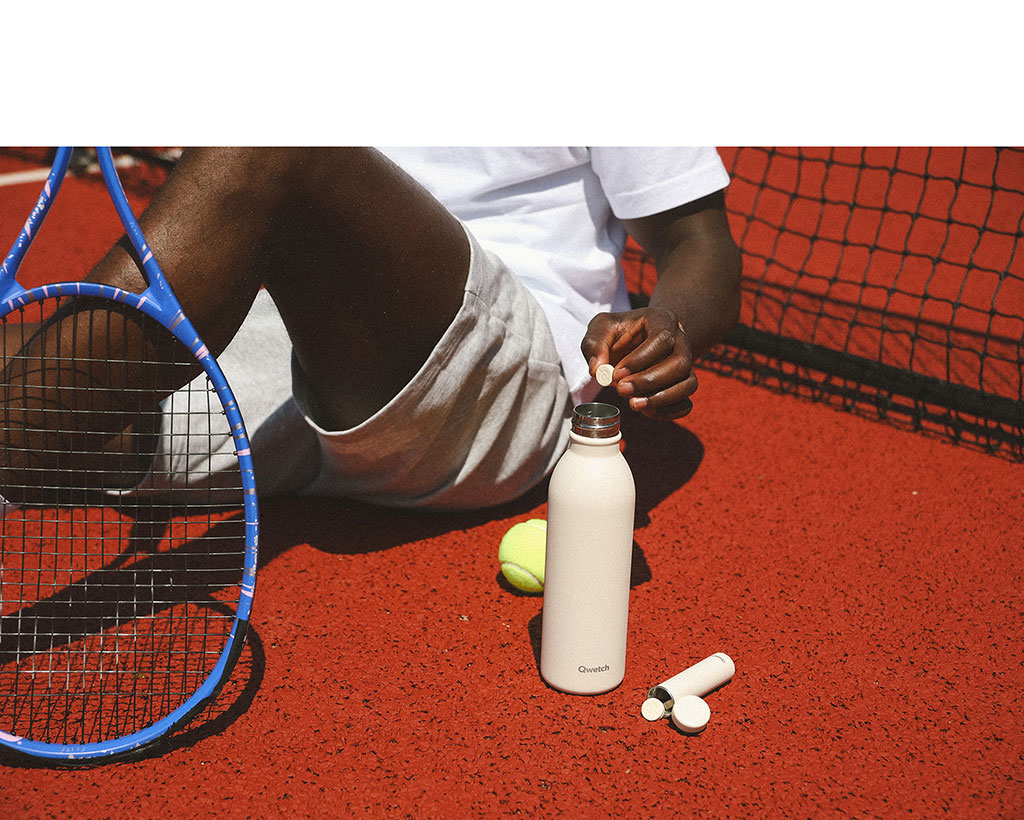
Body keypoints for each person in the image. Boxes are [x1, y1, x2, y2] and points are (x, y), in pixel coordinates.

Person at [3, 147, 741, 511]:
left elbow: (698, 241)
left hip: (502, 374)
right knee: (26, 369)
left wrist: (667, 322)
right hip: (317, 342)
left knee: (280, 140)